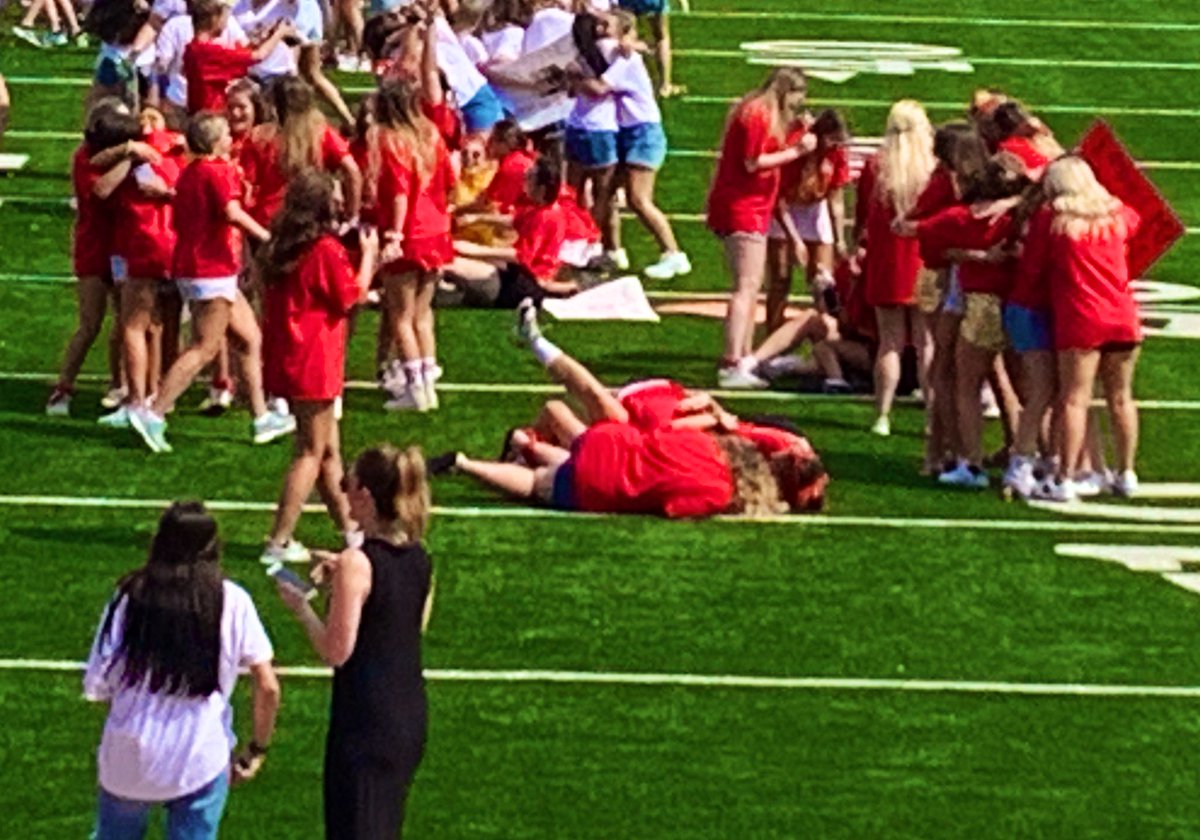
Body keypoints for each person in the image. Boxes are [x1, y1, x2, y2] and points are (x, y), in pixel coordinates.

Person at [436, 300, 829, 517]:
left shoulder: (720, 450)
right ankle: (481, 458)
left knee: (565, 420)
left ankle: (526, 442)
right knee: (562, 462)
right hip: (645, 419)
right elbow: (674, 501)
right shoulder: (725, 471)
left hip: (629, 438)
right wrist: (710, 414)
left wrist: (709, 416)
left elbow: (677, 439)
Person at [84, 501, 280, 840]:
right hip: (199, 754)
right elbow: (268, 687)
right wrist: (256, 749)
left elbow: (99, 683)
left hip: (129, 753)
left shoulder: (130, 597)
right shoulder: (232, 600)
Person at [276, 446, 434, 840]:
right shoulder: (420, 557)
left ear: (365, 495)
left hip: (366, 718)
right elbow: (408, 624)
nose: (342, 493)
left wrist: (302, 608)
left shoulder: (357, 563)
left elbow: (336, 651)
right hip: (408, 712)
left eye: (347, 484)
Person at [130, 112, 295, 453]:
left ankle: (262, 417)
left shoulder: (192, 172)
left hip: (203, 267)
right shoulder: (217, 172)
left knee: (250, 339)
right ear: (215, 141)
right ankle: (154, 412)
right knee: (204, 348)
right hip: (211, 269)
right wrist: (266, 237)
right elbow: (231, 213)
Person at [259, 172, 380, 565]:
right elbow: (350, 297)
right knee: (310, 450)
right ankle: (279, 539)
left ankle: (350, 529)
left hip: (292, 352)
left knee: (329, 450)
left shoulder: (282, 246)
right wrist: (371, 259)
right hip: (315, 357)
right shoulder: (324, 249)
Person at [1033, 157, 1143, 501]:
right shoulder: (1118, 217)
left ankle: (1065, 477)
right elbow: (1135, 220)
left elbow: (1034, 266)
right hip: (1124, 314)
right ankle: (1126, 472)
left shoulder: (1056, 222)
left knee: (1074, 400)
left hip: (1081, 318)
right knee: (1121, 397)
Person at [705, 67, 814, 389]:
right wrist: (797, 151)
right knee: (746, 286)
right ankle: (732, 361)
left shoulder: (758, 112)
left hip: (752, 205)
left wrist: (795, 135)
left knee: (750, 287)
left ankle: (742, 355)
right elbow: (753, 162)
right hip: (743, 206)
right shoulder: (756, 114)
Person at [48, 100, 151, 417]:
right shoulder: (85, 160)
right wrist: (130, 155)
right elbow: (102, 190)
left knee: (124, 321)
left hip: (121, 247)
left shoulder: (112, 154)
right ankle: (62, 388)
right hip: (94, 248)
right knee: (90, 324)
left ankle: (118, 383)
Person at [574, 8, 689, 280]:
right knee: (609, 192)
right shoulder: (618, 55)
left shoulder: (626, 60)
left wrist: (573, 79)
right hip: (629, 131)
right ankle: (612, 250)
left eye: (606, 25)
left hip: (643, 133)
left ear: (622, 32)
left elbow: (599, 88)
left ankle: (673, 253)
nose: (600, 30)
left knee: (638, 199)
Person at [368, 78, 457, 412]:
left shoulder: (392, 141)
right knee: (423, 314)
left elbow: (400, 194)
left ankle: (415, 391)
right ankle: (428, 385)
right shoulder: (432, 134)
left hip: (411, 233)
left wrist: (394, 234)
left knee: (400, 316)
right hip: (437, 230)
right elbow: (450, 183)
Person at [855, 98, 935, 436]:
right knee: (926, 343)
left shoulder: (878, 167)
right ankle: (933, 416)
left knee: (889, 343)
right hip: (925, 263)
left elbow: (861, 219)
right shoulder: (932, 169)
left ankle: (882, 415)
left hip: (887, 263)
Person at [240, 76, 363, 230]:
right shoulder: (322, 133)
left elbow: (246, 184)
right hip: (311, 218)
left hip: (267, 220)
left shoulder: (258, 137)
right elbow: (353, 170)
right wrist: (352, 215)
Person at [766, 108, 850, 333]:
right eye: (831, 141)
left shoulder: (836, 152)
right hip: (787, 209)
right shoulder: (798, 148)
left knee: (824, 278)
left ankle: (830, 334)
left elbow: (836, 197)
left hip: (816, 208)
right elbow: (779, 199)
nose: (835, 146)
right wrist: (795, 240)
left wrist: (840, 238)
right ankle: (773, 334)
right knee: (780, 278)